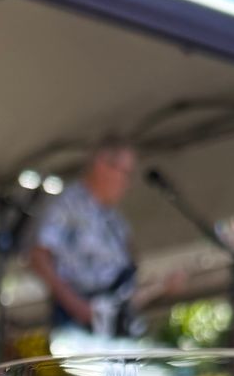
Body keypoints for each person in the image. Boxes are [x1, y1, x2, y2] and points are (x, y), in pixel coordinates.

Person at [31, 139, 178, 348]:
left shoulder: (117, 221)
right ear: (101, 165)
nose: (127, 182)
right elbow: (38, 257)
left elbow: (125, 286)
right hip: (80, 330)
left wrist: (161, 287)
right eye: (124, 172)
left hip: (117, 328)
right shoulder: (68, 204)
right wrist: (77, 306)